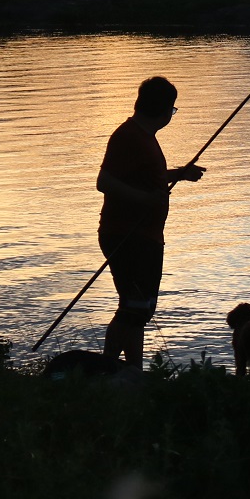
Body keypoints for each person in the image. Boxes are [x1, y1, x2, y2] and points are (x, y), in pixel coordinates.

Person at [96, 76, 205, 368]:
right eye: (172, 108)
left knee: (138, 309)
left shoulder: (143, 137)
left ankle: (133, 372)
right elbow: (104, 182)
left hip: (144, 236)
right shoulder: (128, 136)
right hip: (129, 236)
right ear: (164, 108)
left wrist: (179, 174)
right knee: (134, 309)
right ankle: (106, 368)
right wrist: (144, 201)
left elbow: (143, 178)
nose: (172, 113)